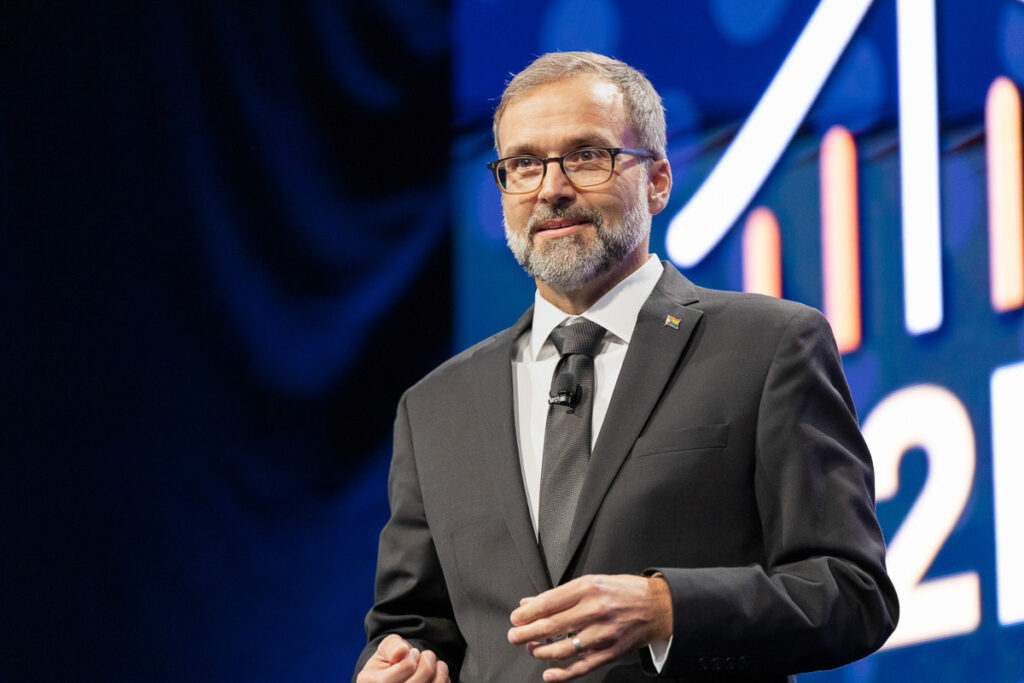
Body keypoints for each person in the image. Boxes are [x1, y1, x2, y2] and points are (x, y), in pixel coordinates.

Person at [354, 52, 897, 682]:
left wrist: (668, 609)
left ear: (658, 181)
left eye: (586, 155)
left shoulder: (768, 345)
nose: (552, 188)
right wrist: (392, 668)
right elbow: (413, 625)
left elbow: (853, 592)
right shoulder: (436, 406)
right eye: (524, 164)